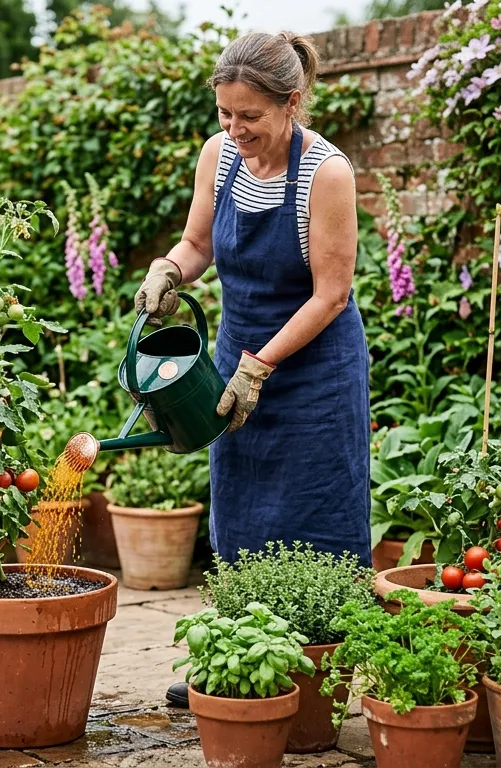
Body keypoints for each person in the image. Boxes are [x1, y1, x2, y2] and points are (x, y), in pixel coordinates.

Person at [133, 31, 371, 707]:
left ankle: (316, 679)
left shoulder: (326, 172)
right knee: (241, 516)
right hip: (237, 359)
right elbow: (199, 242)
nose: (235, 130)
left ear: (291, 103)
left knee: (316, 515)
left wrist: (260, 367)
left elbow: (332, 294)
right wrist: (169, 269)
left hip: (314, 371)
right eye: (225, 114)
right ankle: (236, 666)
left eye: (250, 117)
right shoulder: (220, 157)